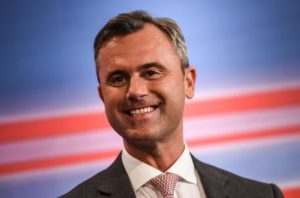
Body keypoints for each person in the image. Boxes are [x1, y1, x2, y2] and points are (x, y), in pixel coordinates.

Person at [60, 10, 283, 198]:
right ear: (102, 96)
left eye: (151, 72)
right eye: (118, 79)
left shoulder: (262, 195)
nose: (135, 91)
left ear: (188, 82)